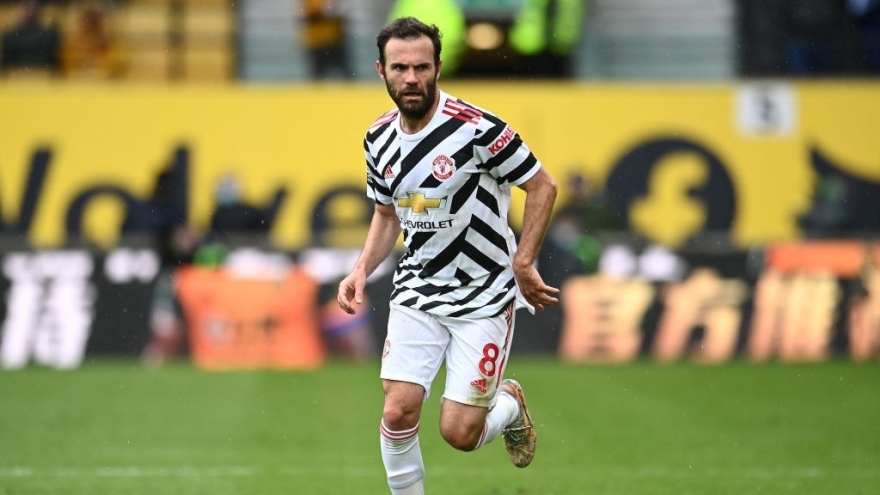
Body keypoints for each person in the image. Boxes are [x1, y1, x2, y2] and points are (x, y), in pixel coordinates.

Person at [336, 16, 559, 495]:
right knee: (398, 409)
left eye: (421, 67)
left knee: (459, 434)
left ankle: (509, 405)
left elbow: (543, 186)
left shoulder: (478, 129)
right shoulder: (378, 138)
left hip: (484, 292)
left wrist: (523, 262)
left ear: (438, 68)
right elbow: (387, 214)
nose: (411, 78)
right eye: (400, 68)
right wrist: (360, 269)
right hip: (418, 287)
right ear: (381, 71)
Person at [0, 0, 61, 77]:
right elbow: (5, 64)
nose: (29, 9)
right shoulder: (10, 36)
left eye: (32, 6)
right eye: (25, 6)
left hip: (42, 77)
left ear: (38, 8)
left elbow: (53, 62)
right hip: (16, 78)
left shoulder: (48, 34)